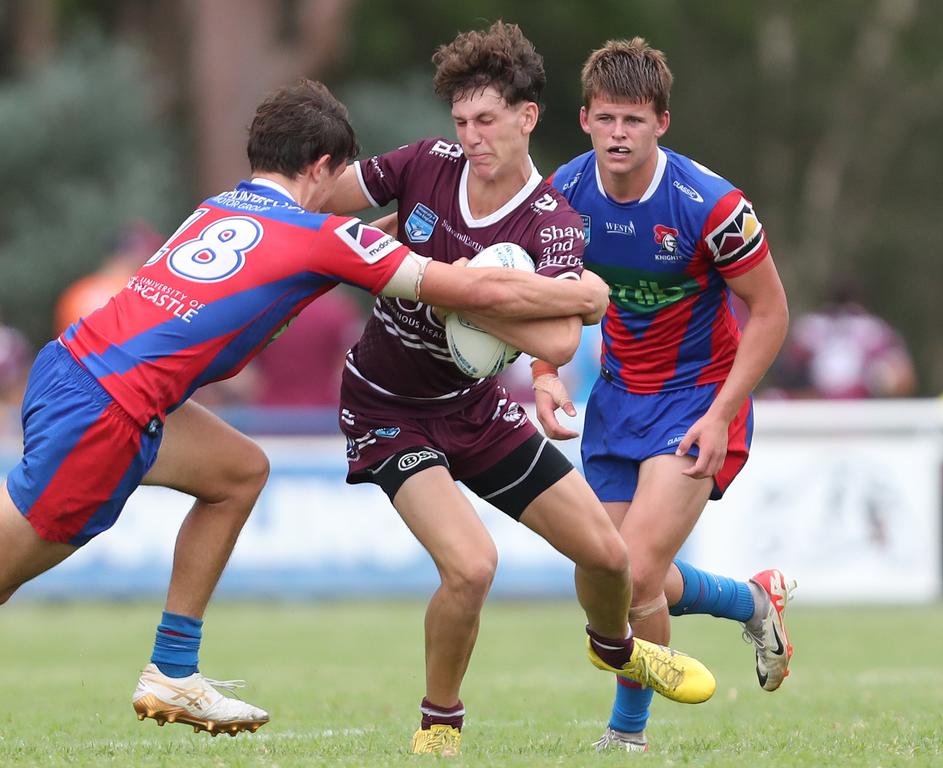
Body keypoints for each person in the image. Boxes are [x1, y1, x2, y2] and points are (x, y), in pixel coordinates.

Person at [0, 79, 610, 738]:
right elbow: (462, 285)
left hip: (72, 368)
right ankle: (170, 669)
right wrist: (584, 296)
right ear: (321, 167)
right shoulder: (318, 236)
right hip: (107, 411)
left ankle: (174, 668)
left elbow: (335, 253)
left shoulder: (218, 208)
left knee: (237, 472)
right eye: (339, 174)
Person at [325, 22, 715, 756]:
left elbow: (561, 341)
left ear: (527, 117)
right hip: (385, 407)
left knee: (609, 559)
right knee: (471, 567)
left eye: (487, 121)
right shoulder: (422, 165)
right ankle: (439, 726)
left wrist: (455, 290)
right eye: (461, 122)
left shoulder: (552, 221)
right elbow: (328, 202)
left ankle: (614, 645)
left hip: (475, 409)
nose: (470, 137)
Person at [541, 39, 793, 752]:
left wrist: (720, 416)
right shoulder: (565, 194)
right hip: (618, 396)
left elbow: (770, 313)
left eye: (635, 120)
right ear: (586, 119)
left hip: (698, 397)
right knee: (604, 574)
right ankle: (748, 600)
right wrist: (542, 371)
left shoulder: (711, 206)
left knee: (639, 571)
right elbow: (540, 292)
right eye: (607, 118)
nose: (619, 133)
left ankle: (626, 737)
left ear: (662, 124)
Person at [770, 277, 916, 399]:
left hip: (830, 406)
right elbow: (904, 377)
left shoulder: (809, 328)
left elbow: (783, 370)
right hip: (835, 405)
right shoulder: (875, 331)